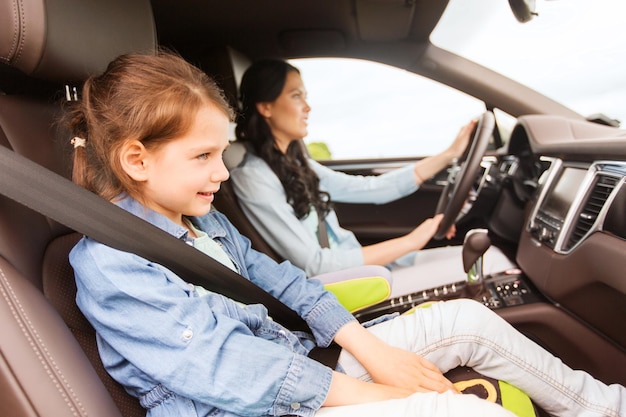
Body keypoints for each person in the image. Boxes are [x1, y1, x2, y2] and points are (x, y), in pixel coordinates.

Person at [67, 51, 624, 417]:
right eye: (204, 156)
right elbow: (225, 367)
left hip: (299, 363)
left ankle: (607, 407)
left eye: (222, 151)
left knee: (470, 321)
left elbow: (283, 281)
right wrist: (377, 392)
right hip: (254, 405)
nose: (222, 171)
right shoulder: (111, 263)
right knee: (458, 409)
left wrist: (366, 346)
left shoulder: (204, 221)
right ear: (136, 160)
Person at [230, 59, 514, 297]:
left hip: (362, 271)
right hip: (340, 287)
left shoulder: (296, 163)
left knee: (488, 258)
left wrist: (450, 154)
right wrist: (412, 241)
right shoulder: (253, 177)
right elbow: (315, 265)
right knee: (496, 264)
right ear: (265, 107)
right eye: (296, 96)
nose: (308, 106)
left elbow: (371, 188)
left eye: (305, 96)